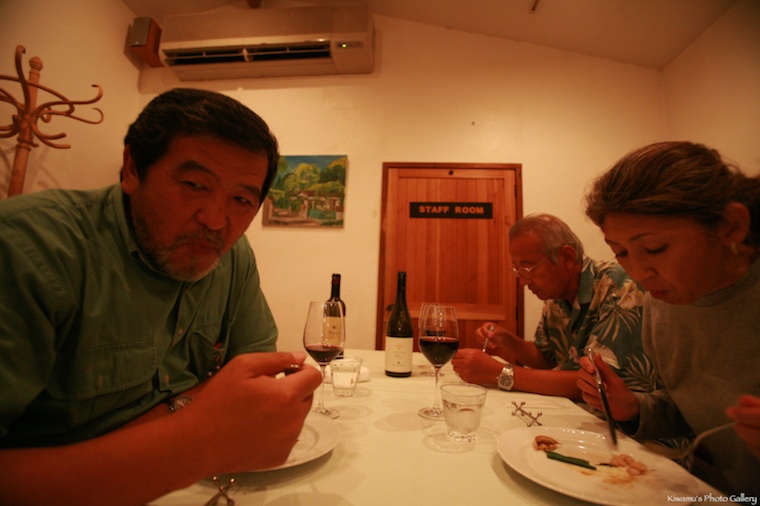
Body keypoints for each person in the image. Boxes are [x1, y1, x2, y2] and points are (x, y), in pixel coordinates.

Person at [0, 88, 322, 506]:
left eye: (241, 200)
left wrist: (174, 419)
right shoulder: (29, 248)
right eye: (194, 185)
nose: (215, 220)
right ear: (133, 168)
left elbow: (253, 387)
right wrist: (196, 433)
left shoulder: (233, 257)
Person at [579, 141, 760, 495]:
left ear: (731, 226)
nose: (638, 272)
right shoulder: (662, 306)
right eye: (621, 252)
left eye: (655, 248)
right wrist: (634, 408)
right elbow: (698, 409)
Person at [452, 213, 653, 401]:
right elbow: (546, 358)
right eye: (518, 270)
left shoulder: (620, 288)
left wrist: (499, 373)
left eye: (528, 268)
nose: (523, 281)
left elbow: (598, 383)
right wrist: (506, 339)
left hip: (621, 422)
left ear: (567, 257)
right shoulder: (556, 295)